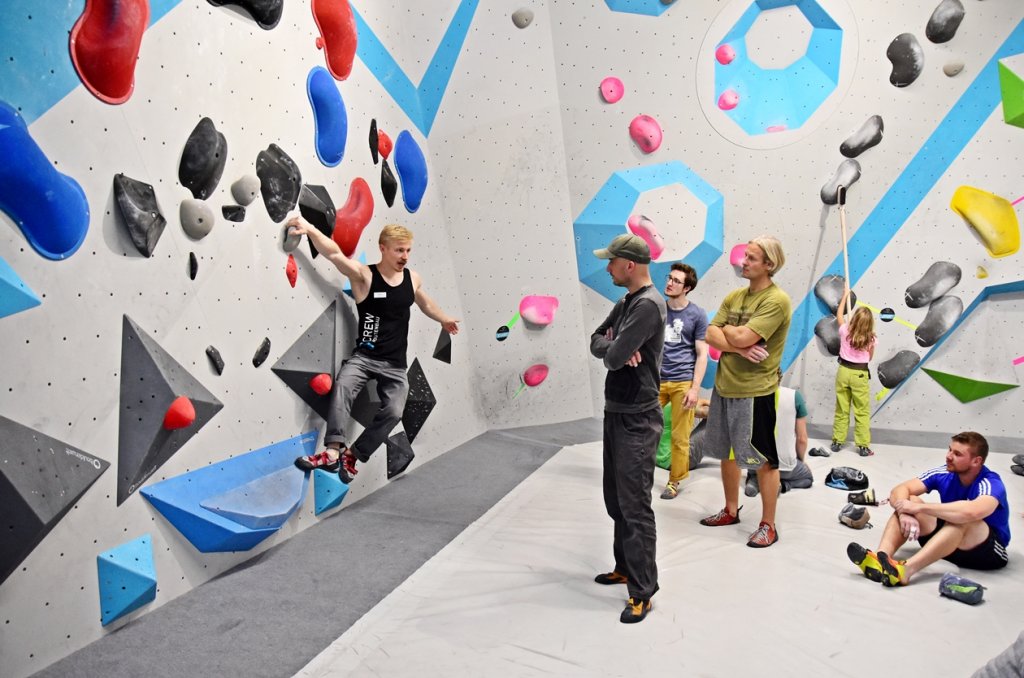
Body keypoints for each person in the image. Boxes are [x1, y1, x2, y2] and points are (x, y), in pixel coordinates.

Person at [287, 216, 459, 483]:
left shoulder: (412, 278)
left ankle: (354, 455)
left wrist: (443, 318)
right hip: (365, 358)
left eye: (408, 250)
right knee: (343, 386)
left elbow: (424, 303)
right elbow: (332, 253)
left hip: (395, 365)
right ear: (383, 248)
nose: (405, 256)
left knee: (394, 412)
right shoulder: (364, 276)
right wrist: (308, 229)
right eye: (399, 250)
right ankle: (332, 452)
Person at [589, 233, 667, 624]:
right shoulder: (625, 303)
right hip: (616, 411)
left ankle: (642, 590)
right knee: (617, 501)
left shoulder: (649, 306)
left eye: (612, 262)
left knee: (635, 505)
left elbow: (615, 355)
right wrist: (613, 344)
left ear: (629, 265)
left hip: (637, 416)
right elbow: (596, 342)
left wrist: (614, 345)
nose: (607, 268)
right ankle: (624, 567)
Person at [700, 236, 791, 548]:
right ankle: (729, 510)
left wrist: (730, 335)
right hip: (725, 387)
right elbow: (710, 334)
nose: (744, 262)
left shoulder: (776, 300)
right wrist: (737, 348)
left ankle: (768, 524)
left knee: (764, 460)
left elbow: (740, 334)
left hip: (756, 392)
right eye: (745, 256)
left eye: (751, 258)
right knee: (727, 454)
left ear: (769, 264)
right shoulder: (735, 296)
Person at [847, 431, 1010, 587]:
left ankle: (906, 570)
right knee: (909, 500)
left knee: (963, 520)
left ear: (976, 461)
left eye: (958, 454)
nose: (949, 456)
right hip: (948, 542)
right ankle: (880, 558)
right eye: (949, 449)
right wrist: (905, 512)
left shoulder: (990, 483)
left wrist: (919, 508)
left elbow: (972, 511)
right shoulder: (944, 472)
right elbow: (900, 489)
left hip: (985, 552)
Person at [658, 263, 708, 500]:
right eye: (670, 278)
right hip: (654, 380)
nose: (670, 282)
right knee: (641, 430)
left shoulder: (697, 314)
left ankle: (673, 481)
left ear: (687, 288)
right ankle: (637, 474)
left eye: (676, 280)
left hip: (682, 382)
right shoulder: (656, 309)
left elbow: (701, 354)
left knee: (680, 437)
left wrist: (695, 389)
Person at [744, 383, 813, 496]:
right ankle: (782, 484)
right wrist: (801, 461)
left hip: (755, 462)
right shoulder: (795, 396)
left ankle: (755, 479)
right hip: (785, 465)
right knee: (808, 479)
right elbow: (802, 439)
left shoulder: (748, 395)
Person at [830, 287, 876, 456]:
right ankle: (863, 446)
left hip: (843, 372)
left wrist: (844, 296)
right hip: (859, 375)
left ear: (854, 319)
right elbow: (869, 358)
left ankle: (837, 441)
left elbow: (840, 315)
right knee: (861, 411)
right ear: (870, 323)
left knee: (842, 408)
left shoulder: (845, 331)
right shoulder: (871, 338)